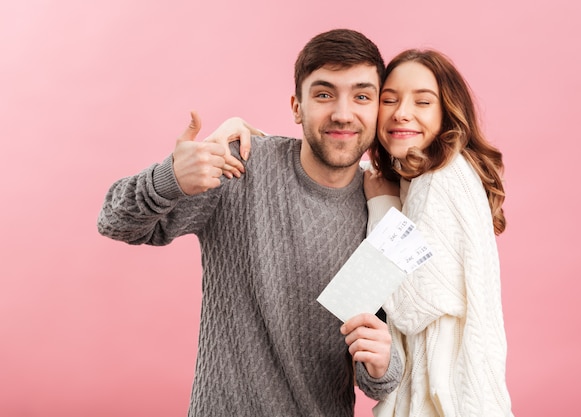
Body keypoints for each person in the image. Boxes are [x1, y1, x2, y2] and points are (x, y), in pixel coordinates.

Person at [97, 29, 402, 417]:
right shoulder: (239, 165)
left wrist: (384, 361)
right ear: (297, 107)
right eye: (324, 94)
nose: (343, 113)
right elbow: (115, 222)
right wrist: (170, 177)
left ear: (378, 108)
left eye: (361, 96)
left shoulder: (382, 209)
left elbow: (378, 378)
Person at [361, 49, 514, 416]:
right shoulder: (430, 174)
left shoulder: (437, 181)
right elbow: (336, 156)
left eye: (423, 101)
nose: (401, 112)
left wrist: (381, 206)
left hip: (446, 402)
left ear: (446, 112)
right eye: (389, 99)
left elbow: (411, 307)